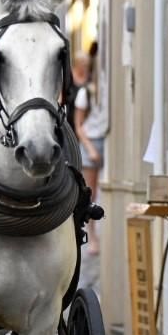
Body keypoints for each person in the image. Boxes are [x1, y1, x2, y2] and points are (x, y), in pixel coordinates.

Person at [73, 41, 107, 253]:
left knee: (99, 189)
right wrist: (90, 148)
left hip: (103, 139)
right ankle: (92, 235)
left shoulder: (103, 92)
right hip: (91, 143)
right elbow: (78, 125)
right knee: (91, 193)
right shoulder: (85, 93)